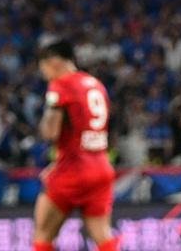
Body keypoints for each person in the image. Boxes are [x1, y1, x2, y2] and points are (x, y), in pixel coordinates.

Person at [32, 40, 119, 251]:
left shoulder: (61, 85)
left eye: (43, 68)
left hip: (74, 171)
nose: (44, 74)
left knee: (43, 235)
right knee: (103, 235)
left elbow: (51, 133)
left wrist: (50, 106)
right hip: (101, 168)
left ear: (54, 62)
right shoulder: (95, 84)